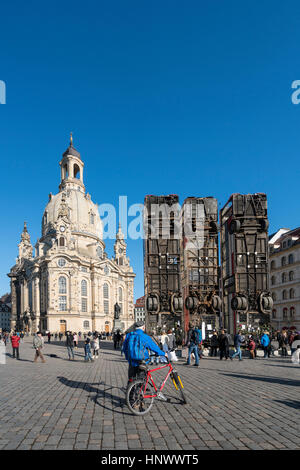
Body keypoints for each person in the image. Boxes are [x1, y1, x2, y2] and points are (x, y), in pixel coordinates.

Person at [122, 321, 166, 385]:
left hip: (132, 361)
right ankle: (140, 392)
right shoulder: (144, 336)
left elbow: (124, 348)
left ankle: (130, 394)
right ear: (143, 327)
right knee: (141, 380)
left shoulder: (129, 335)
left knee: (131, 380)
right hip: (142, 361)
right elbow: (153, 347)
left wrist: (128, 358)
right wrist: (164, 354)